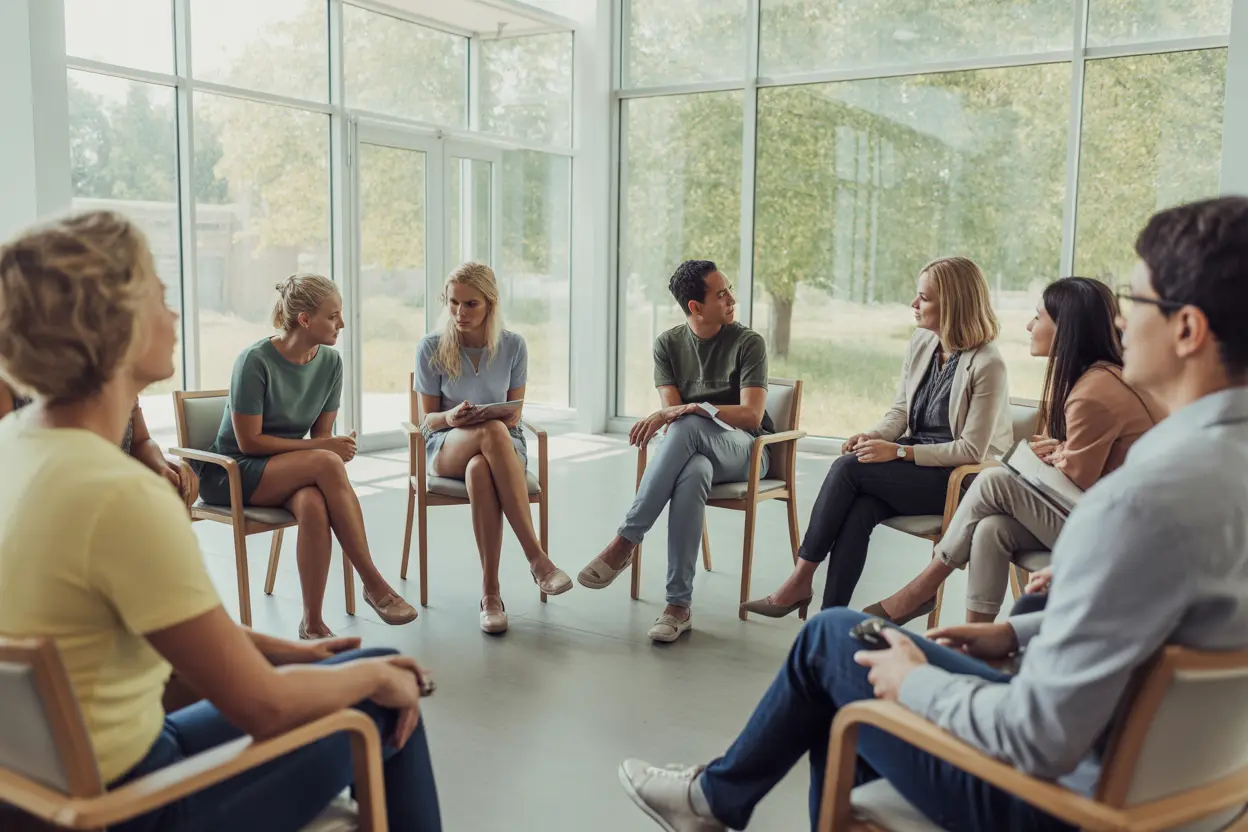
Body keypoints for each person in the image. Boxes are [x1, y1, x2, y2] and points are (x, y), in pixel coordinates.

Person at [617, 196, 1248, 832]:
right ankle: (717, 794)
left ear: (1188, 329)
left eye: (1131, 303)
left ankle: (714, 799)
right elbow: (1163, 633)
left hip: (1056, 799)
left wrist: (914, 681)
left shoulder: (1139, 503)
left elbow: (1036, 737)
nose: (1116, 321)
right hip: (1174, 797)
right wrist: (1016, 632)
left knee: (835, 647)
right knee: (851, 591)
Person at [0, 210, 442, 831]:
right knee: (379, 689)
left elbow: (168, 634)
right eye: (159, 295)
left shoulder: (13, 446)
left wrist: (297, 654)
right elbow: (264, 706)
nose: (175, 314)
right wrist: (368, 674)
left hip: (38, 795)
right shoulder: (121, 496)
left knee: (351, 667)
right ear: (115, 326)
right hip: (133, 803)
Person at [870, 277, 1162, 624]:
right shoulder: (1105, 378)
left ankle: (923, 587)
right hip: (1109, 515)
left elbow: (1080, 479)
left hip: (1119, 533)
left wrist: (1062, 457)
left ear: (1065, 328)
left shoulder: (1093, 391)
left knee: (994, 481)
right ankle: (975, 642)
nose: (1029, 325)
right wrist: (1067, 449)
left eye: (1038, 317)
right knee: (992, 529)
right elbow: (1108, 455)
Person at [742, 256, 1012, 618]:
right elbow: (900, 412)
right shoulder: (922, 342)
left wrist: (897, 454)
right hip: (918, 466)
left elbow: (970, 449)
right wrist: (872, 436)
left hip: (961, 480)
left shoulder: (987, 363)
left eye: (924, 298)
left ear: (954, 304)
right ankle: (827, 620)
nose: (914, 305)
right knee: (860, 508)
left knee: (849, 469)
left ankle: (798, 581)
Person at [202, 274, 415, 639]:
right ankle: (374, 582)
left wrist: (331, 447)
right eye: (333, 316)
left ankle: (312, 624)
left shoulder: (331, 363)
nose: (342, 324)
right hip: (232, 473)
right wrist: (324, 451)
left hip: (285, 470)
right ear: (304, 319)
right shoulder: (254, 361)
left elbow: (320, 437)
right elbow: (249, 442)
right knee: (324, 461)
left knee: (314, 505)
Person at [577, 260, 773, 643]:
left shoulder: (748, 342)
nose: (732, 299)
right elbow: (672, 412)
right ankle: (677, 606)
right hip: (695, 451)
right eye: (721, 294)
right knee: (694, 469)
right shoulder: (668, 345)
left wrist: (699, 409)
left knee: (687, 425)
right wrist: (684, 413)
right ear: (695, 307)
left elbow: (751, 415)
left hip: (747, 452)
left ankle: (625, 540)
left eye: (729, 289)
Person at [414, 262, 572, 634]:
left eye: (470, 304)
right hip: (446, 445)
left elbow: (514, 414)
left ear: (490, 304)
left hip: (501, 447)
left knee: (481, 467)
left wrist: (490, 418)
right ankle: (537, 559)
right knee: (491, 433)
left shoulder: (513, 346)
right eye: (453, 302)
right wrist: (452, 416)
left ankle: (490, 595)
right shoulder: (431, 347)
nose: (459, 313)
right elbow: (427, 422)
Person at [1, 379, 198, 509]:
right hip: (56, 495)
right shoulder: (12, 386)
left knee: (184, 483)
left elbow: (141, 440)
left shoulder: (116, 377)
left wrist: (161, 465)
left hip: (117, 483)